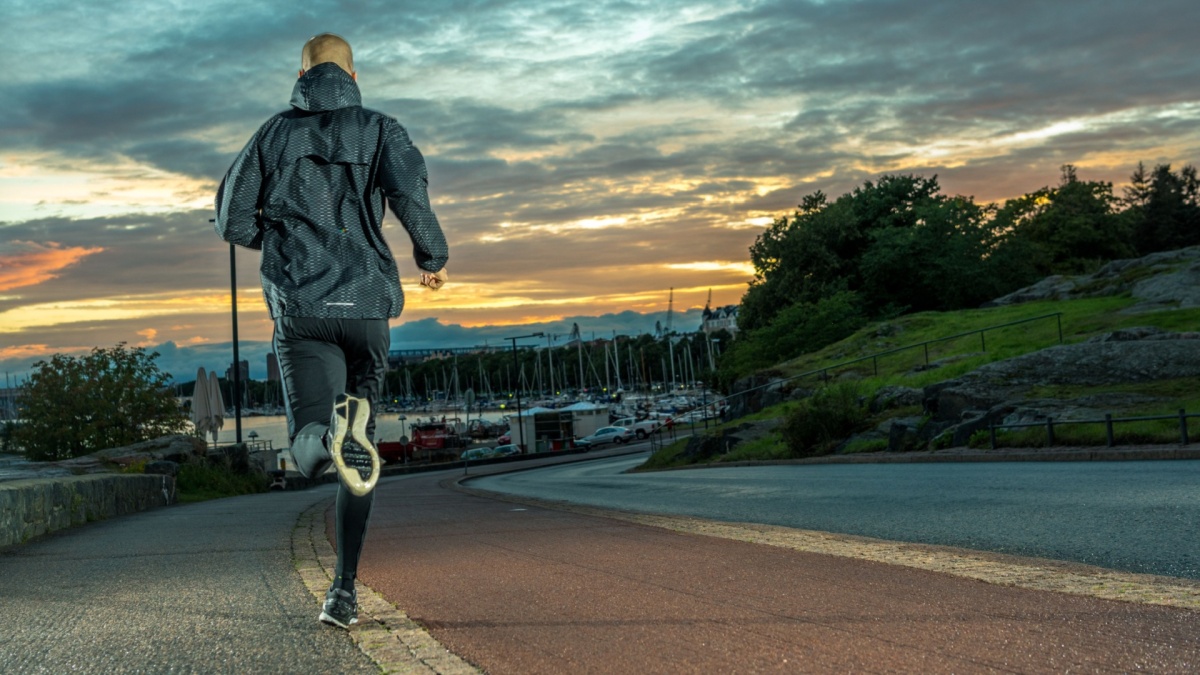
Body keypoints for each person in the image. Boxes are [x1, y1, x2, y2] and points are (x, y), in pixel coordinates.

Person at [215, 33, 449, 629]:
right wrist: (433, 258)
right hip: (367, 311)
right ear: (352, 71)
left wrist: (283, 238)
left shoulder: (272, 134)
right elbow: (410, 196)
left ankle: (328, 436)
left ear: (301, 71)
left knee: (312, 452)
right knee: (360, 461)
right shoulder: (381, 128)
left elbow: (233, 219)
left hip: (303, 308)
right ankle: (343, 591)